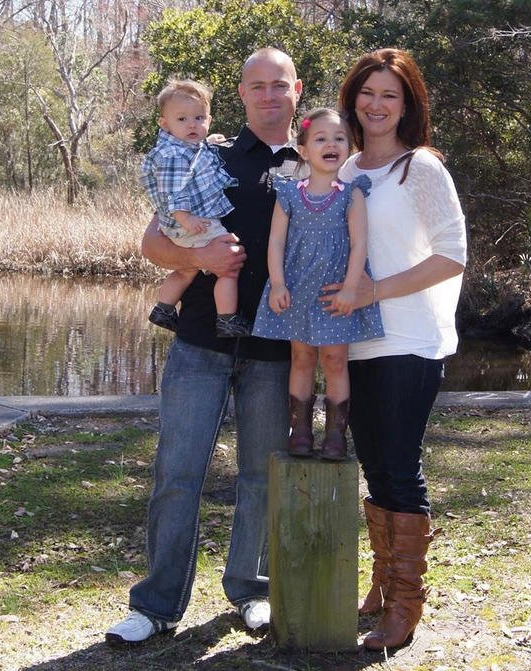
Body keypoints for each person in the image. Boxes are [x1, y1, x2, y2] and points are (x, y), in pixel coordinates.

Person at [105, 47, 302, 645]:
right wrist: (198, 257)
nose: (269, 95)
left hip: (274, 346)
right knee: (177, 473)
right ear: (241, 93)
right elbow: (151, 243)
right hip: (200, 343)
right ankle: (157, 605)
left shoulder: (321, 160)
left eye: (280, 85)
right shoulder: (206, 155)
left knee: (261, 477)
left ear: (297, 90)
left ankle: (252, 591)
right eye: (257, 86)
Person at [323, 48, 467, 651]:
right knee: (376, 463)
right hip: (354, 342)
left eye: (390, 95)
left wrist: (374, 290)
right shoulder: (345, 166)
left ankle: (405, 606)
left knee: (399, 465)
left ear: (407, 105)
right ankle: (383, 585)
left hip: (409, 339)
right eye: (368, 92)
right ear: (352, 98)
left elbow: (452, 253)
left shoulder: (421, 169)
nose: (376, 105)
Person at [253, 107, 383, 461]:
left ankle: (336, 437)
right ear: (304, 149)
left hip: (334, 293)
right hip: (297, 289)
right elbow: (276, 242)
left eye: (339, 138)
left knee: (336, 360)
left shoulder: (351, 194)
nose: (331, 144)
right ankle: (301, 431)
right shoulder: (290, 194)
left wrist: (350, 290)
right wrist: (278, 284)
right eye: (321, 138)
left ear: (350, 147)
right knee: (301, 357)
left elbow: (359, 245)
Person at [141, 78, 251, 338]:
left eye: (199, 118)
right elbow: (174, 190)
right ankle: (226, 319)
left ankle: (164, 308)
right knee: (230, 261)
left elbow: (197, 157)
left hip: (180, 226)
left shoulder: (188, 148)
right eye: (181, 120)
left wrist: (209, 140)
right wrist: (185, 218)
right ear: (164, 124)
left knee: (186, 270)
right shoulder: (174, 156)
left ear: (209, 120)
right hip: (190, 221)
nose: (192, 124)